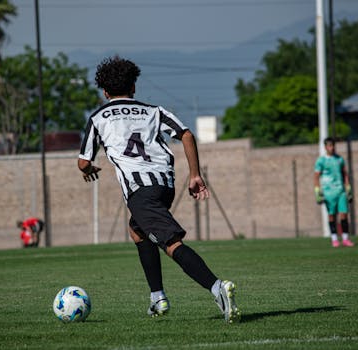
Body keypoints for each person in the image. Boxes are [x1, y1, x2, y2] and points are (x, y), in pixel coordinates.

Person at [77, 56, 240, 323]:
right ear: (134, 87)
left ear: (104, 91)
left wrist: (88, 170)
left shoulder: (99, 117)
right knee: (137, 230)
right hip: (165, 185)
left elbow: (83, 161)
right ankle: (158, 298)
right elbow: (186, 135)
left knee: (171, 243)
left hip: (140, 191)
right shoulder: (154, 111)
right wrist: (195, 174)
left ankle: (217, 288)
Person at [314, 137, 354, 248]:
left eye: (333, 145)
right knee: (332, 216)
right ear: (325, 147)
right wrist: (317, 191)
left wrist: (348, 188)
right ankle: (334, 239)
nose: (331, 148)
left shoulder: (339, 159)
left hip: (340, 190)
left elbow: (344, 174)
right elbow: (316, 177)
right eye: (329, 146)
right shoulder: (321, 161)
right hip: (328, 192)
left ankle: (345, 239)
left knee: (344, 214)